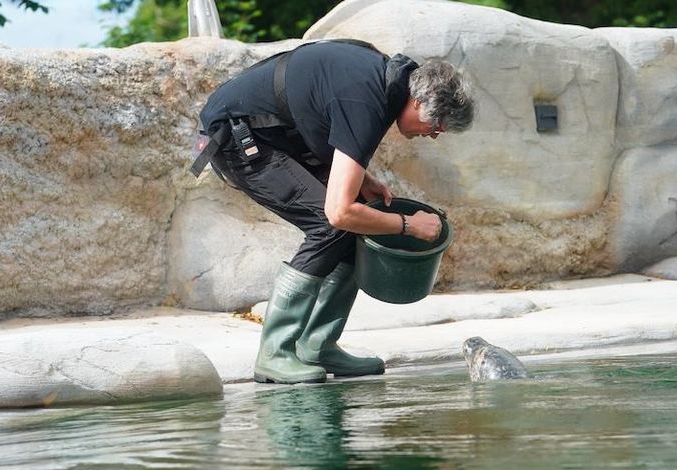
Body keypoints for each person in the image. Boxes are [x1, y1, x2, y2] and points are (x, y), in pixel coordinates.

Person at [198, 40, 474, 384]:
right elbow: (339, 213)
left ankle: (317, 345)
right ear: (418, 101)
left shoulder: (385, 84)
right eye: (437, 124)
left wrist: (364, 177)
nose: (434, 135)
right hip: (240, 136)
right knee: (331, 226)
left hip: (276, 134)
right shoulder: (367, 100)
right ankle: (275, 353)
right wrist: (407, 226)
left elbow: (324, 121)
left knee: (352, 224)